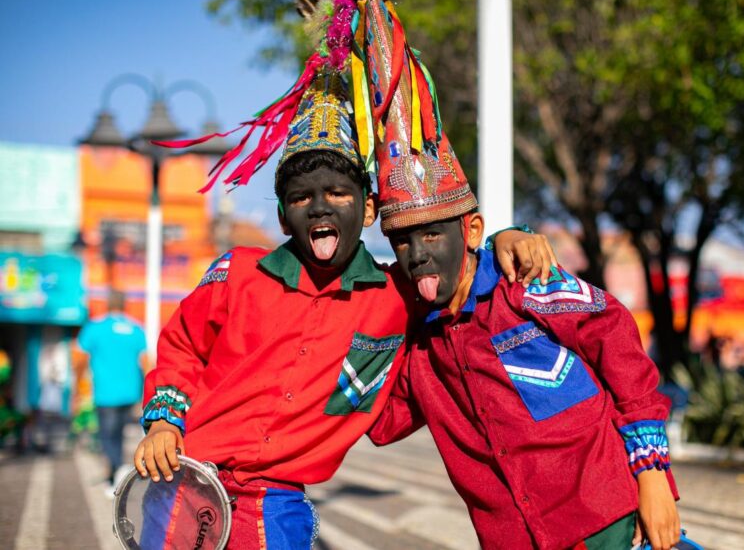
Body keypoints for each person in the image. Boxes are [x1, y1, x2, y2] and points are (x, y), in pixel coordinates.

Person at [133, 60, 553, 548]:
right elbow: (183, 348)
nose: (319, 207)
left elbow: (456, 266)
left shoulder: (397, 294)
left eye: (337, 193)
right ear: (283, 217)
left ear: (369, 208)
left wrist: (506, 238)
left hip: (276, 504)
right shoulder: (239, 273)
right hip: (187, 484)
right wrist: (163, 424)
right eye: (301, 198)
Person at [352, 0, 681, 550]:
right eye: (402, 241)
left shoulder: (525, 282)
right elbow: (382, 425)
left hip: (607, 522)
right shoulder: (420, 352)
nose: (417, 253)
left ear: (472, 231)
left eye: (432, 234)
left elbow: (618, 346)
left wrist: (652, 476)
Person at [77, 290, 146, 485]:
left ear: (108, 305)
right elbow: (146, 362)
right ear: (125, 305)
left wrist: (77, 384)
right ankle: (115, 471)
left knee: (107, 436)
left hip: (105, 393)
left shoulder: (95, 328)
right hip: (130, 392)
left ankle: (117, 471)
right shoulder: (136, 329)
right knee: (119, 434)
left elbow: (79, 359)